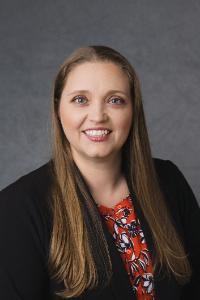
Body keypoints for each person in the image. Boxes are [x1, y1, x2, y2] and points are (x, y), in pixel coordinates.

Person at [0, 45, 199, 300]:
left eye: (115, 100)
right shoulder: (17, 207)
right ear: (58, 108)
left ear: (133, 110)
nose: (97, 116)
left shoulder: (169, 181)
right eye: (80, 100)